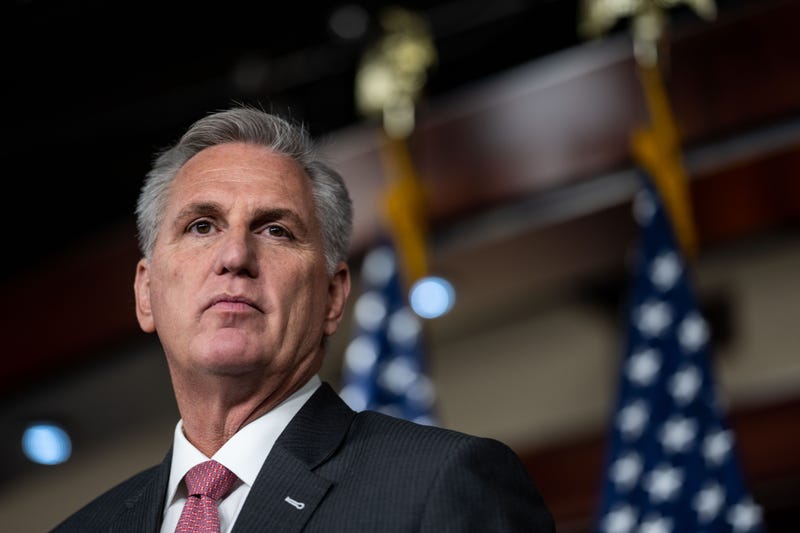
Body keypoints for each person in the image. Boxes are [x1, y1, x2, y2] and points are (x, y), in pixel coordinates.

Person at [53, 105, 556, 532]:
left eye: (275, 231)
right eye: (201, 226)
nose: (234, 255)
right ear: (146, 293)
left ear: (333, 297)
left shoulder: (445, 483)